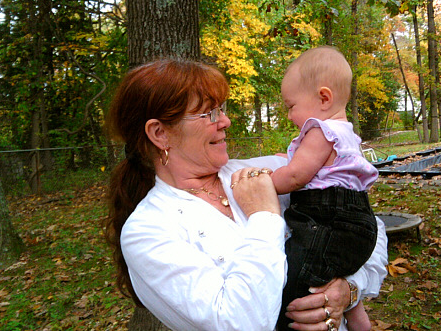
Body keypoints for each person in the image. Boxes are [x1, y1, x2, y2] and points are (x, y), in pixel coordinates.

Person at [105, 58, 388, 331]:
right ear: (160, 134)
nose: (226, 121)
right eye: (209, 114)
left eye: (222, 109)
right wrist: (264, 216)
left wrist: (349, 289)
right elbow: (239, 323)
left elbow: (369, 226)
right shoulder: (147, 231)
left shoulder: (273, 172)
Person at [271, 46, 379, 331]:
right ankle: (359, 321)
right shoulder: (346, 133)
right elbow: (324, 168)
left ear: (323, 97)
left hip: (327, 219)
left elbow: (296, 176)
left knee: (296, 274)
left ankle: (286, 321)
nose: (289, 115)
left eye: (291, 106)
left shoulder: (320, 130)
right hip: (356, 221)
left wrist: (266, 180)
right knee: (333, 273)